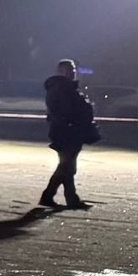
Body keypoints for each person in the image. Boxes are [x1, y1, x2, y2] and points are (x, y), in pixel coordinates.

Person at [41, 59, 96, 210]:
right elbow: (67, 111)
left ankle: (56, 196)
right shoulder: (62, 88)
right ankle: (57, 197)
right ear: (61, 71)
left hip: (67, 131)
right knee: (67, 166)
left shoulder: (63, 88)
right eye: (69, 70)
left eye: (73, 70)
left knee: (67, 166)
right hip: (67, 132)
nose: (72, 72)